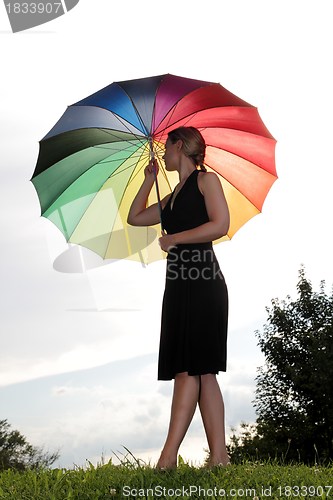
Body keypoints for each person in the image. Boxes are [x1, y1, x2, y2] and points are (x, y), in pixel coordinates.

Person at [127, 126, 230, 469]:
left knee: (196, 368)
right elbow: (136, 217)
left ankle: (169, 458)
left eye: (166, 146)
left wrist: (176, 239)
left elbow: (220, 225)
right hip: (178, 283)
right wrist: (148, 178)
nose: (163, 151)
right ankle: (219, 458)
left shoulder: (206, 181)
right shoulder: (170, 198)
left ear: (180, 146)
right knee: (196, 370)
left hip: (203, 281)